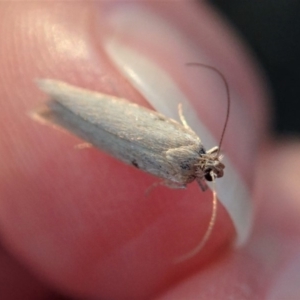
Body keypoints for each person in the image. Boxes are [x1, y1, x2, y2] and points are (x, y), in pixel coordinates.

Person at [1, 2, 299, 299]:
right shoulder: (184, 176)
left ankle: (59, 110)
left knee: (106, 120)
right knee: (104, 119)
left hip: (127, 129)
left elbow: (175, 125)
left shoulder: (189, 156)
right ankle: (60, 110)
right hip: (123, 130)